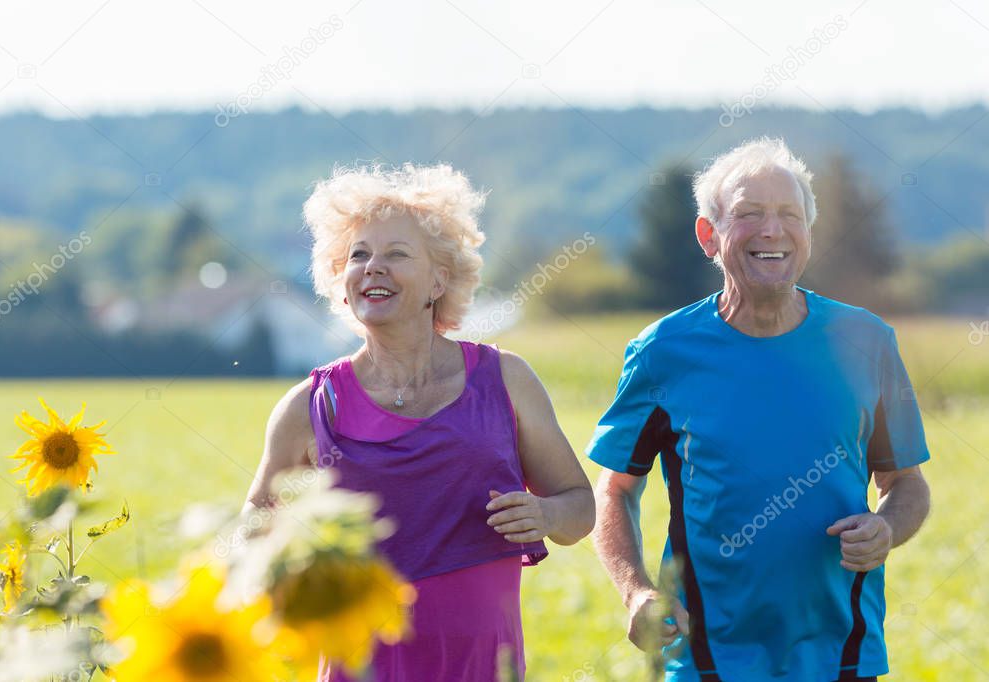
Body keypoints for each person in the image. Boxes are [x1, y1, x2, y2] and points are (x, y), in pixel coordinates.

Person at [587, 138, 931, 681]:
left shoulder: (866, 341)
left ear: (808, 234)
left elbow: (905, 483)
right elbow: (615, 488)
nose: (772, 230)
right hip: (704, 656)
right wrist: (636, 591)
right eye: (749, 214)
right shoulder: (663, 352)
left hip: (842, 650)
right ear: (709, 236)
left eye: (788, 215)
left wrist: (887, 528)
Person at [244, 163, 595, 681]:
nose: (372, 267)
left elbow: (579, 505)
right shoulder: (313, 405)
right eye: (358, 255)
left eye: (396, 254)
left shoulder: (506, 379)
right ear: (340, 281)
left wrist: (545, 515)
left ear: (439, 279)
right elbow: (252, 531)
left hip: (483, 666)